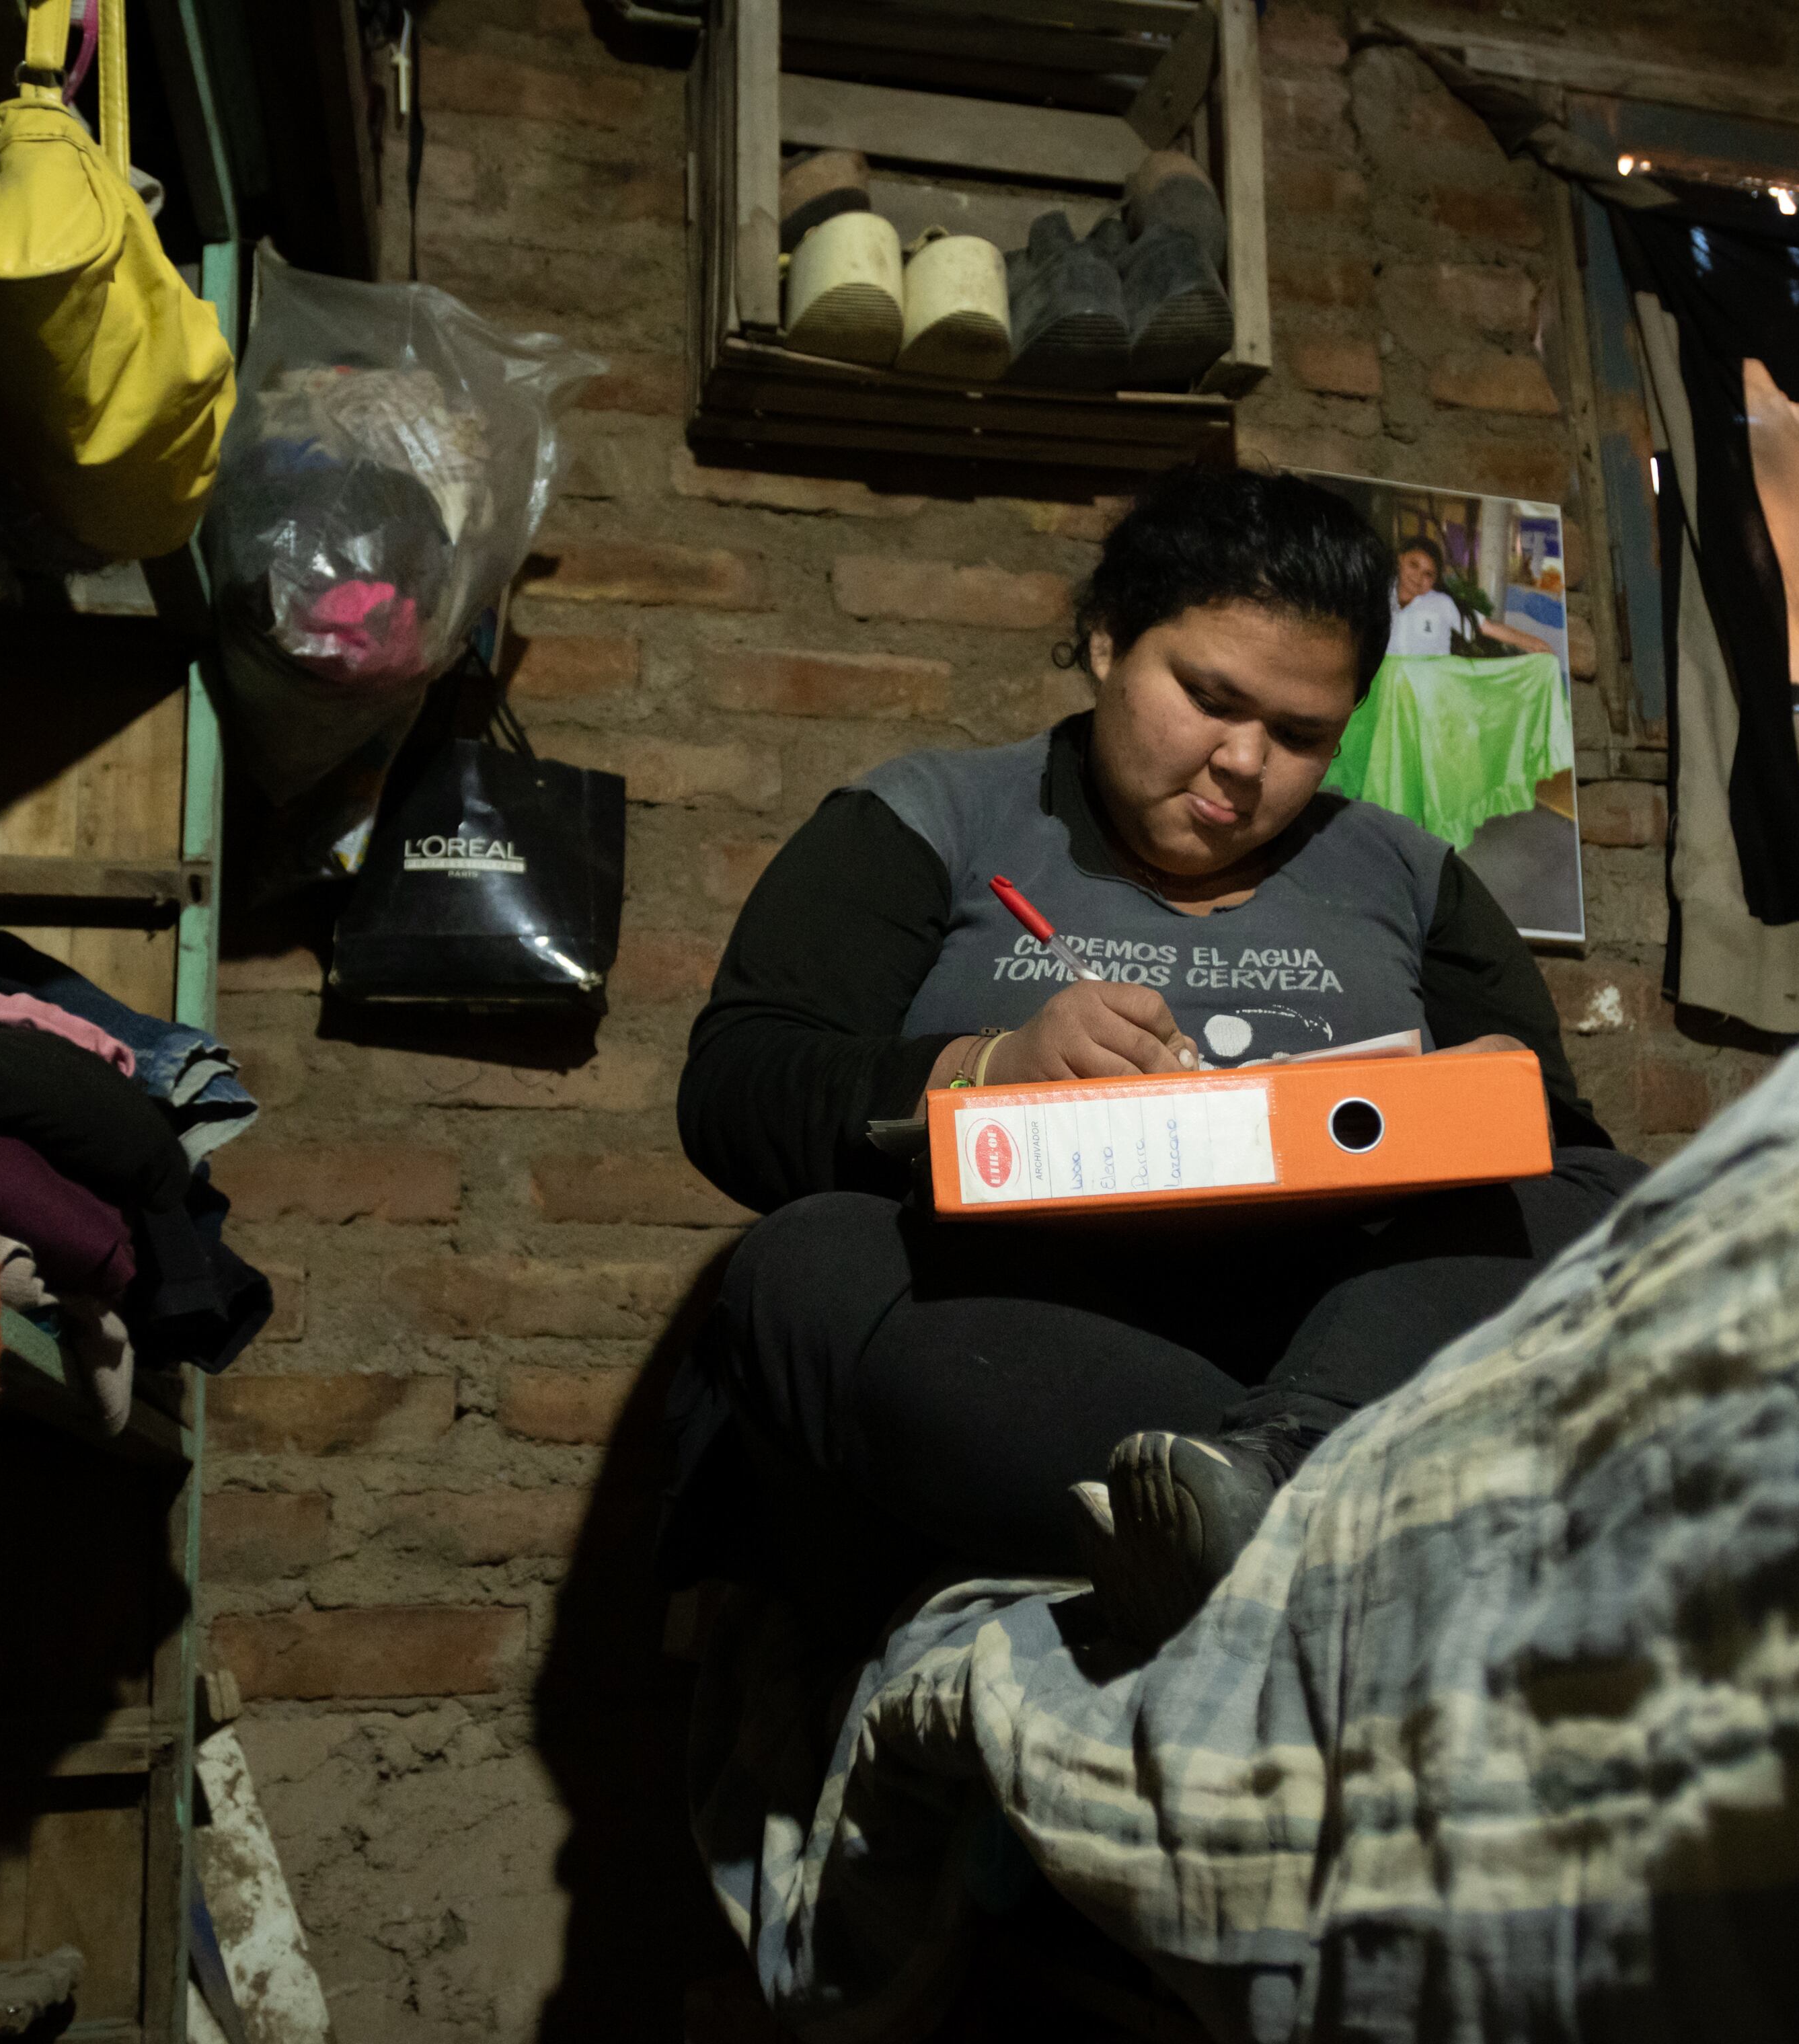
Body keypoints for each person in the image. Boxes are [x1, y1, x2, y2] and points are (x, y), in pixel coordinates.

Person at [671, 468, 1645, 1645]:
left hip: (1345, 1339)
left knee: (1602, 1197)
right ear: (1105, 639)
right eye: (1210, 698)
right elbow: (739, 1088)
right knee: (800, 1267)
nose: (1245, 764)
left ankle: (1273, 1485)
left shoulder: (1406, 870)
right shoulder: (932, 817)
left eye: (1302, 735)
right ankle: (1314, 1525)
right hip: (1043, 1345)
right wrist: (987, 1066)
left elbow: (1564, 1157)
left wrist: (1487, 1095)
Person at [1387, 533, 1548, 658]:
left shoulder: (1441, 604)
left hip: (1430, 694)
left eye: (1428, 574)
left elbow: (1487, 627)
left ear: (1435, 580)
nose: (1418, 577)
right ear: (1401, 559)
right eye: (1414, 565)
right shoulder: (1378, 598)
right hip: (1386, 692)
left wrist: (1533, 643)